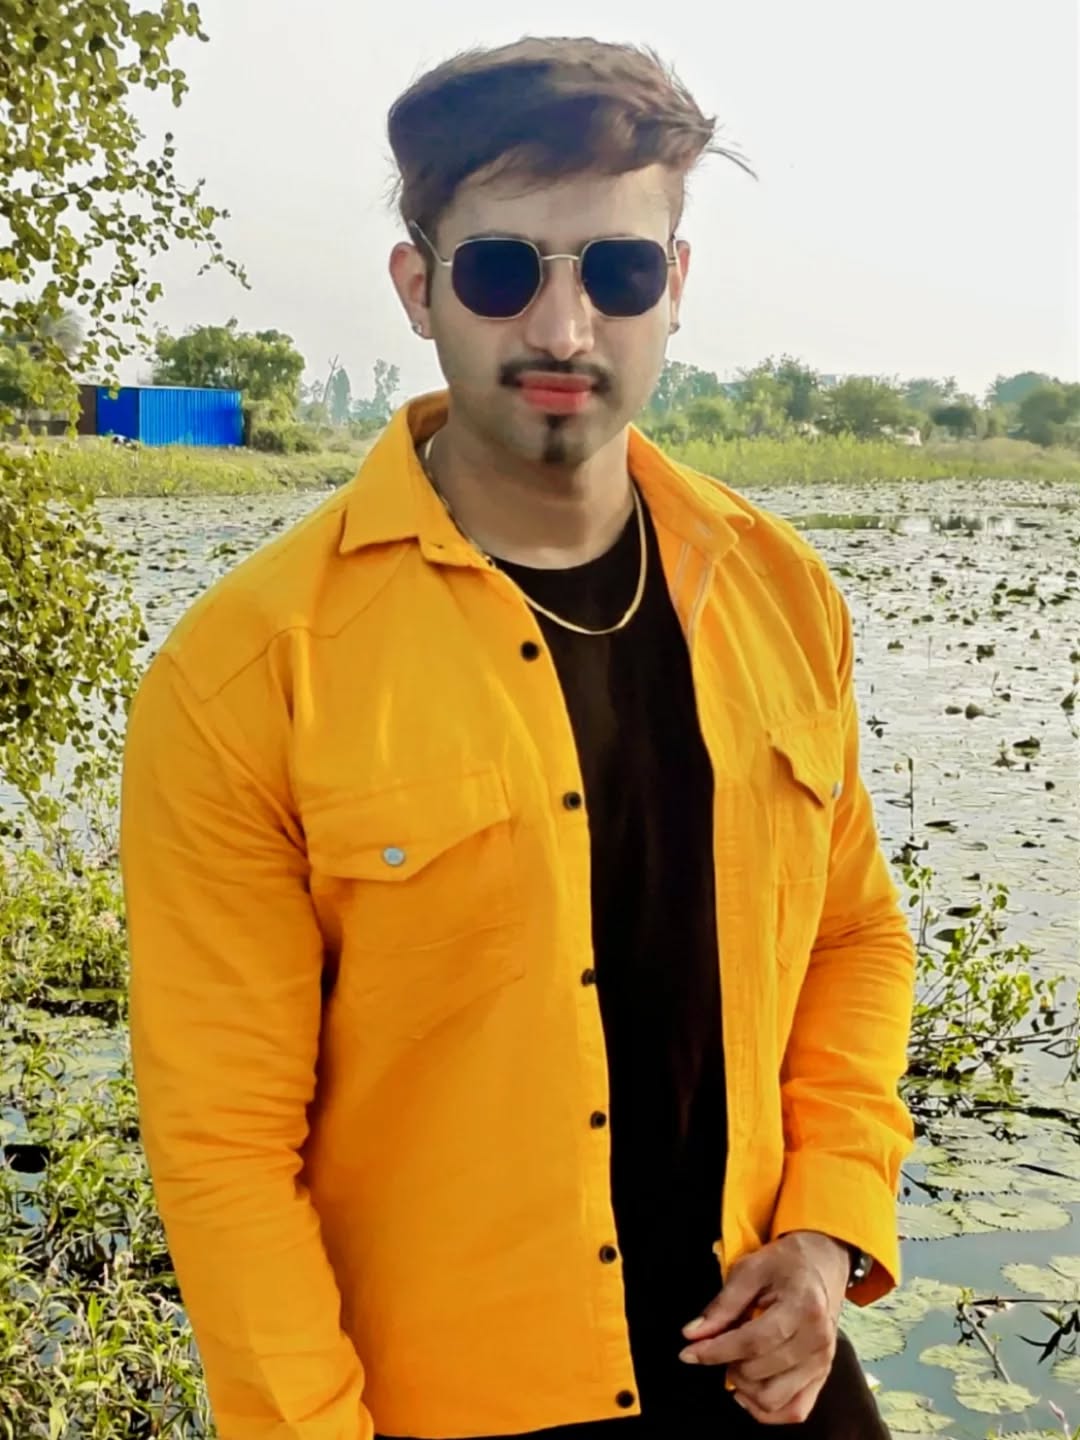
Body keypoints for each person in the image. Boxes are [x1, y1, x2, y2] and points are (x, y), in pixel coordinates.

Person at [120, 36, 916, 1440]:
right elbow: (227, 1147)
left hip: (771, 1380)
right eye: (502, 271)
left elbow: (853, 939)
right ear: (418, 286)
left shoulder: (783, 594)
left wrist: (825, 1227)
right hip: (454, 1406)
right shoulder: (249, 671)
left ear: (674, 284)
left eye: (616, 272)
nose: (562, 328)